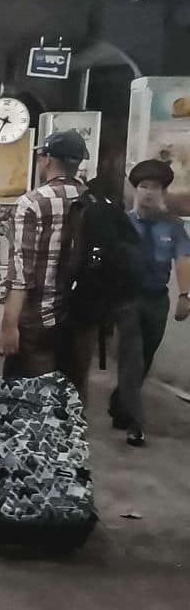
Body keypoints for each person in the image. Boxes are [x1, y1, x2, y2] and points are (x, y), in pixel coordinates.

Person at [0, 129, 89, 389]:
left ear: (47, 159)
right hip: (81, 318)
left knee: (31, 398)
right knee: (71, 395)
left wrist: (9, 325)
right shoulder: (92, 200)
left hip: (40, 319)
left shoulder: (33, 202)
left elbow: (21, 271)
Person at [110, 159, 190, 448]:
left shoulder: (173, 227)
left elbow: (183, 259)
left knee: (145, 358)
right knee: (133, 359)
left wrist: (185, 295)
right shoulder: (122, 223)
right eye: (143, 186)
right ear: (134, 190)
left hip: (157, 301)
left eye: (154, 188)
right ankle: (136, 423)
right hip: (127, 299)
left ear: (163, 193)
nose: (148, 193)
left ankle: (121, 402)